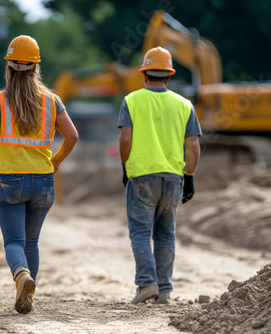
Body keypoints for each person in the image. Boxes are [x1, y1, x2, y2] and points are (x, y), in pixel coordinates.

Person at [0, 35, 78, 314]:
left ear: (9, 67)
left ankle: (22, 276)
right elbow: (72, 136)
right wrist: (55, 161)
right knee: (32, 242)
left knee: (14, 242)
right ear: (36, 67)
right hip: (43, 181)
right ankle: (28, 293)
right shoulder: (52, 101)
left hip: (9, 179)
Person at [118, 46, 201, 305]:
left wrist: (125, 166)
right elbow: (194, 147)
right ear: (169, 76)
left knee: (141, 233)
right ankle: (164, 291)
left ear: (144, 75)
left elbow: (126, 138)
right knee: (165, 234)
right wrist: (189, 176)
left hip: (141, 177)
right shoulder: (184, 105)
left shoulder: (131, 101)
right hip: (173, 178)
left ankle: (146, 285)